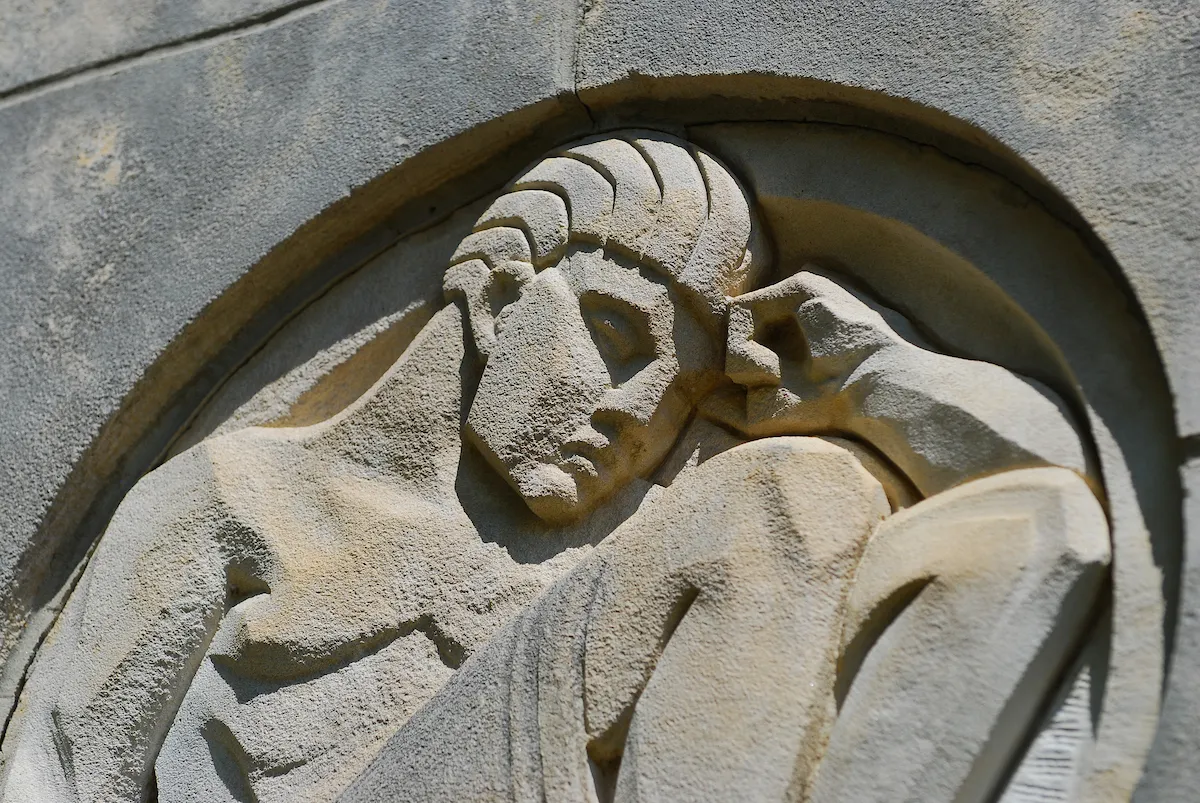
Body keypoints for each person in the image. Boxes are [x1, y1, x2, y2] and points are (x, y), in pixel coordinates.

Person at [0, 132, 1108, 803]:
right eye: (617, 338)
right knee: (788, 493)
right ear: (495, 292)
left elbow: (1078, 487)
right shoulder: (238, 498)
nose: (634, 413)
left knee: (1031, 533)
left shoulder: (644, 516)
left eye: (674, 387)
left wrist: (874, 382)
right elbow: (51, 773)